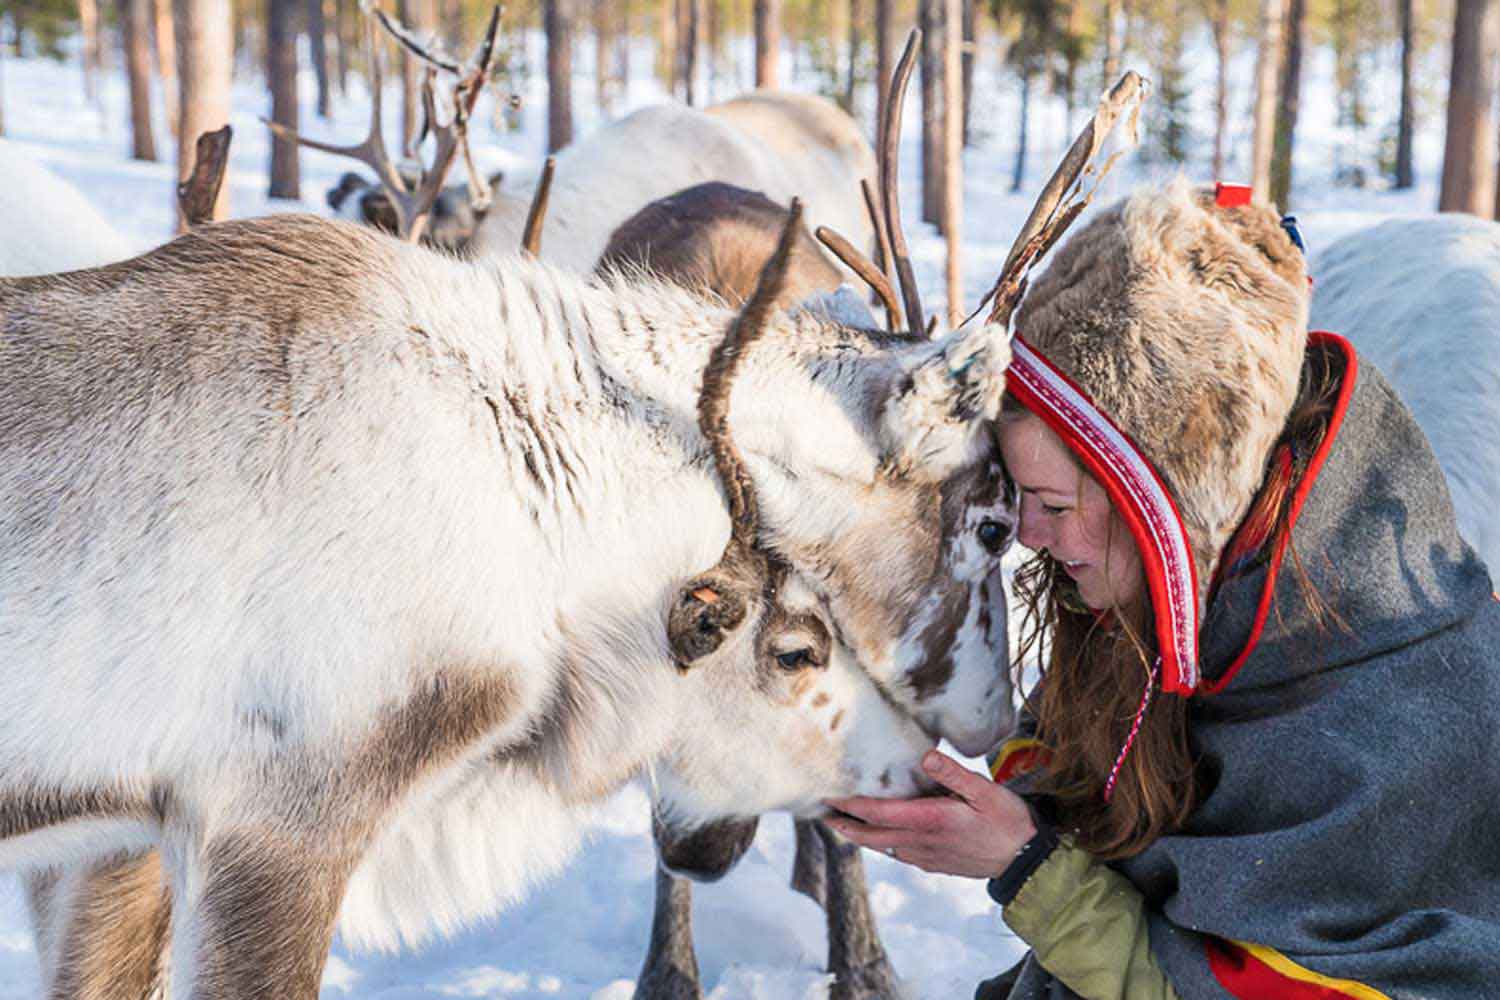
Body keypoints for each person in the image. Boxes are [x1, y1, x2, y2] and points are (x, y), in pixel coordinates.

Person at [825, 179, 1500, 999]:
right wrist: (985, 802)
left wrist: (1026, 866)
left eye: (1053, 504)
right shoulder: (1203, 604)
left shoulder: (1390, 728)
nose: (1030, 537)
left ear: (1174, 498)